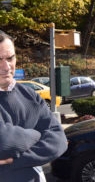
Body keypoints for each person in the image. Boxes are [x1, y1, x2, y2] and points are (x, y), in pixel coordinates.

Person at [0, 30, 67, 181]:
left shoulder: (29, 95)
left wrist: (17, 160)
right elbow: (3, 142)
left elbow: (59, 139)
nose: (6, 66)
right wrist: (38, 134)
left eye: (10, 58)